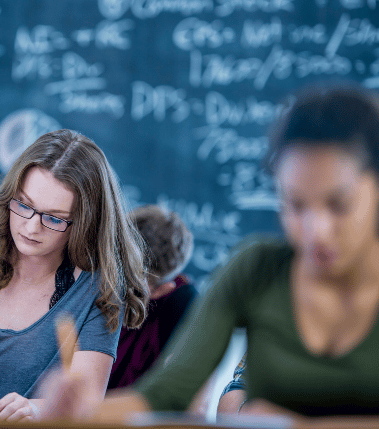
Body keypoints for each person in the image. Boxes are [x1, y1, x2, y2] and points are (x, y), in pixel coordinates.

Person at [41, 82, 379, 421]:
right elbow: (167, 394)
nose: (315, 231)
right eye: (295, 204)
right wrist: (84, 413)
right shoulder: (257, 269)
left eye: (339, 204)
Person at [0, 129, 149, 421]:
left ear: (85, 223)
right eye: (24, 205)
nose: (30, 227)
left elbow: (86, 404)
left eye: (53, 218)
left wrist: (36, 410)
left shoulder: (99, 289)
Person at [107, 205, 197, 390]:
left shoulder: (182, 303)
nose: (114, 290)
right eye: (114, 272)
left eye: (131, 286)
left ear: (162, 291)